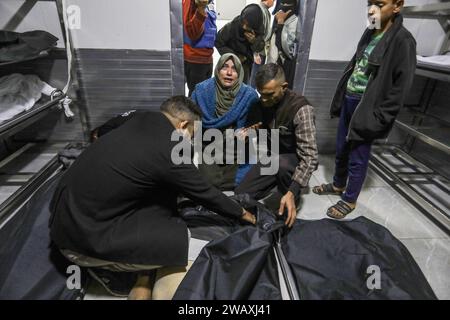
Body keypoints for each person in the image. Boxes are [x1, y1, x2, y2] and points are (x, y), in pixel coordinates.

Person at [49, 96, 256, 300]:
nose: (190, 140)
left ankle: (140, 274)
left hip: (66, 214)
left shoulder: (138, 116)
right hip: (81, 240)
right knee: (180, 241)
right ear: (183, 124)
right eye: (192, 134)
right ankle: (110, 271)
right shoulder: (170, 149)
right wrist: (243, 213)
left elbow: (100, 132)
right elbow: (205, 193)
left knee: (161, 197)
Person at [312, 0, 416, 219]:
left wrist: (379, 118)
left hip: (367, 107)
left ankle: (349, 199)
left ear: (397, 6)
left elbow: (400, 88)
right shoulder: (371, 30)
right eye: (369, 3)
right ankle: (339, 185)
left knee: (358, 155)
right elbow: (358, 65)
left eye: (379, 4)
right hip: (351, 100)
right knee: (341, 148)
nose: (371, 10)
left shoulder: (403, 41)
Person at [235, 63, 318, 228]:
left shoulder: (301, 109)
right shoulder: (261, 104)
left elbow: (310, 157)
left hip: (293, 161)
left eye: (269, 94)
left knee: (281, 165)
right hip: (273, 158)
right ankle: (276, 184)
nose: (264, 100)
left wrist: (293, 190)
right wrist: (247, 134)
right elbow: (262, 132)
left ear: (284, 87)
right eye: (261, 94)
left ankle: (291, 195)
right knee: (241, 195)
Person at [192, 53, 259, 190]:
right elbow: (190, 119)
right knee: (210, 182)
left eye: (234, 69)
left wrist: (250, 131)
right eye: (225, 67)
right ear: (217, 70)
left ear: (239, 73)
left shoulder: (249, 95)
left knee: (247, 182)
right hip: (208, 148)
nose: (229, 73)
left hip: (237, 149)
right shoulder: (202, 91)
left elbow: (258, 124)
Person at [215, 4, 266, 83]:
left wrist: (254, 41)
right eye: (243, 23)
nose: (244, 27)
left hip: (246, 66)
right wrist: (234, 57)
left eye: (248, 25)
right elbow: (218, 42)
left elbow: (260, 47)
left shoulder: (258, 28)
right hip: (230, 63)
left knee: (242, 90)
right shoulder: (233, 26)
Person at [183, 0, 217, 96]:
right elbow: (192, 33)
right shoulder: (190, 3)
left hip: (207, 57)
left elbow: (211, 26)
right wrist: (201, 9)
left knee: (204, 96)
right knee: (197, 97)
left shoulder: (210, 2)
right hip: (195, 59)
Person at [267, 0, 299, 88]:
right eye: (282, 3)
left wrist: (281, 23)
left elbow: (288, 49)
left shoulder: (294, 21)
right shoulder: (278, 17)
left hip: (284, 67)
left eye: (287, 4)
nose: (284, 6)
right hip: (272, 65)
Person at [249, 0, 276, 88]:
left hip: (261, 50)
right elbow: (253, 34)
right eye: (273, 0)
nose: (274, 2)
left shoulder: (265, 11)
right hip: (257, 52)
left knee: (257, 78)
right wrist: (255, 53)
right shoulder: (259, 11)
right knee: (253, 80)